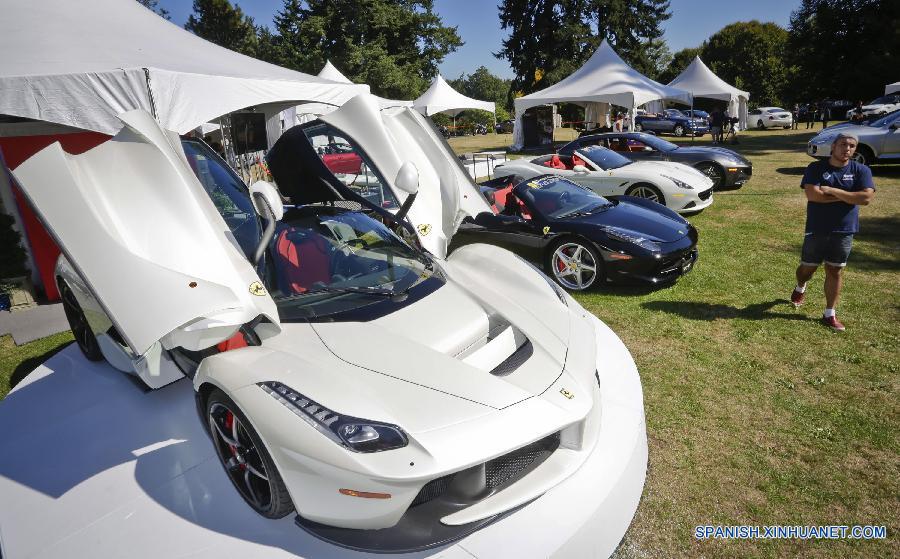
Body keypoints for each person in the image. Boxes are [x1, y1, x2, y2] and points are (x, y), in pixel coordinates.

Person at [790, 132, 875, 331]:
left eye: (852, 146)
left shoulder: (861, 170)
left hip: (844, 230)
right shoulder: (816, 168)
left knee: (835, 270)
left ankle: (829, 313)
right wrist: (850, 197)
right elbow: (813, 195)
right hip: (817, 228)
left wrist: (833, 191)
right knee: (807, 269)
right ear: (833, 146)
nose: (847, 149)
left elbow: (865, 198)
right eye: (843, 144)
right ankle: (800, 286)